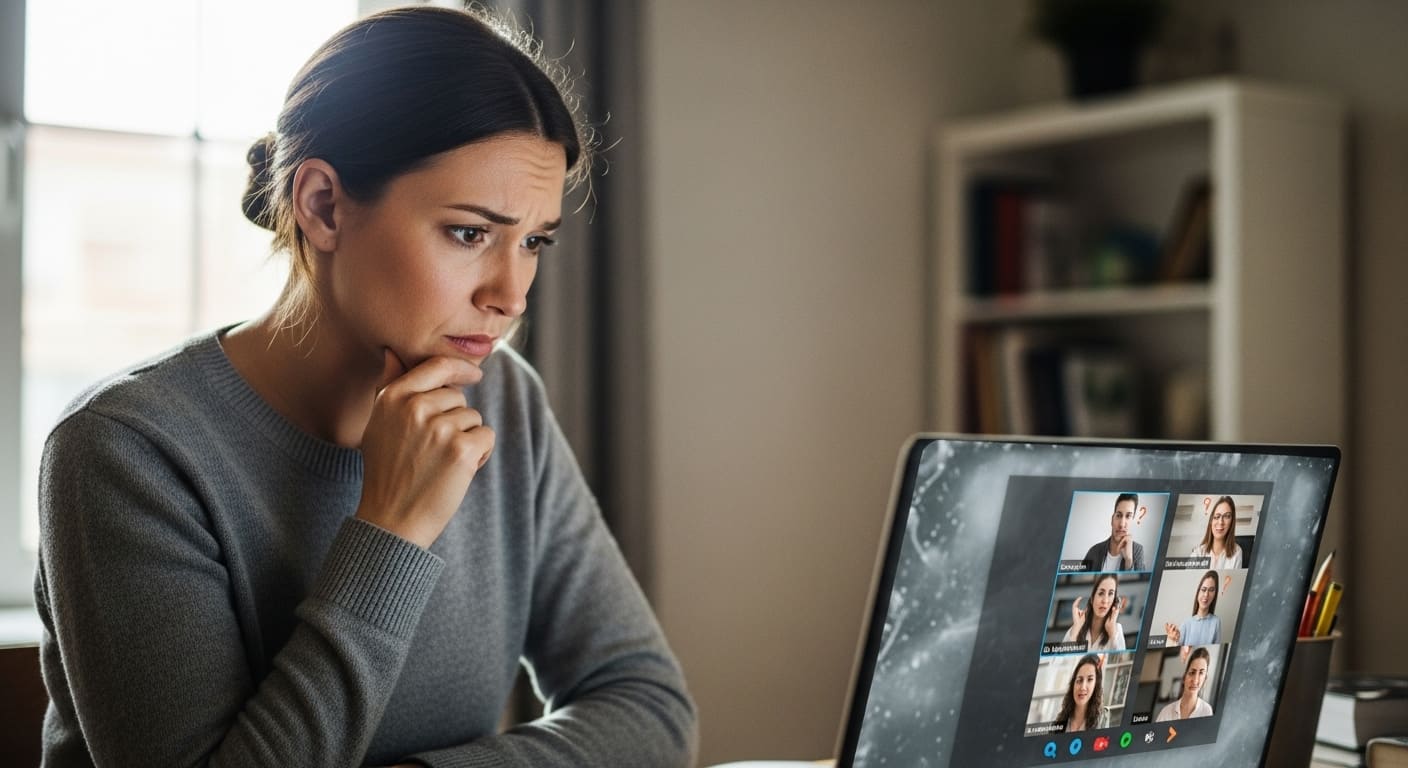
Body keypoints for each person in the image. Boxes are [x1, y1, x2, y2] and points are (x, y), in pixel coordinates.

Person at [32, 7, 696, 767]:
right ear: (322, 206)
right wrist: (391, 532)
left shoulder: (502, 399)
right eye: (470, 233)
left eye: (533, 241)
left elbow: (650, 707)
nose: (511, 295)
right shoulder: (125, 452)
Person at [1080, 492, 1147, 571]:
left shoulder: (1138, 551)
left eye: (1128, 516)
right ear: (1112, 519)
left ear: (1132, 521)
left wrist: (1129, 561)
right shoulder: (1093, 551)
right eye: (1118, 515)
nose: (1122, 524)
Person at [1063, 573, 1128, 651]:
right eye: (1101, 593)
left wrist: (1112, 634)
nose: (1105, 601)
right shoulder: (1075, 628)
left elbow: (1121, 659)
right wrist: (1075, 630)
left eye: (1110, 594)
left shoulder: (1117, 630)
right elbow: (1060, 660)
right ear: (1092, 599)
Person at [1155, 647, 1215, 722]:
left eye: (1201, 673)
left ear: (1205, 678)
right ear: (1184, 677)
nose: (1195, 680)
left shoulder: (1206, 711)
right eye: (1192, 672)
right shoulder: (1166, 712)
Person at [1164, 570, 1223, 646]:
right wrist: (1171, 640)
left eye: (1211, 590)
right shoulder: (1186, 624)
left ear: (1215, 594)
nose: (1206, 595)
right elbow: (1174, 645)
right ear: (1198, 592)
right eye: (1203, 589)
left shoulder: (1216, 622)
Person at [1055, 654, 1109, 733]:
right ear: (1073, 684)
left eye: (1090, 679)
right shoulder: (1059, 722)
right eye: (1079, 680)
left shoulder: (1102, 720)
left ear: (1096, 685)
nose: (1083, 687)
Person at [1190, 495, 1243, 569]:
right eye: (1217, 517)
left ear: (1232, 522)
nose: (1221, 522)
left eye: (1227, 516)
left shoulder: (1237, 552)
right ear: (1211, 521)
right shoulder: (1197, 553)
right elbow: (1187, 580)